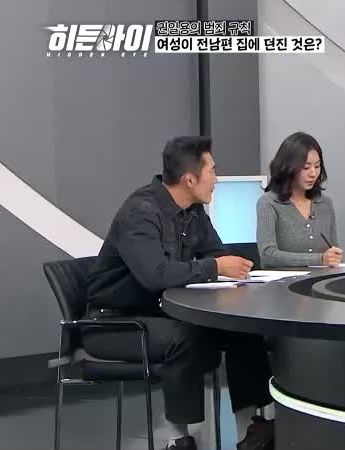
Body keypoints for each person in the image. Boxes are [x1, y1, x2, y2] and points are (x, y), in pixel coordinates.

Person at [85, 137, 274, 450]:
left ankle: (251, 430)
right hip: (113, 322)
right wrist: (215, 267)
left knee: (242, 327)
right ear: (189, 179)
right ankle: (178, 439)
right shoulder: (140, 212)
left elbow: (214, 252)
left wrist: (230, 266)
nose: (216, 179)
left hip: (161, 311)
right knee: (185, 336)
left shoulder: (193, 211)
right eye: (212, 171)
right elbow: (155, 275)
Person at [258, 132, 342, 267]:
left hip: (322, 279)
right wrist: (319, 259)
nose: (313, 173)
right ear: (288, 167)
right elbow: (268, 255)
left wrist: (333, 258)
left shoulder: (325, 204)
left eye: (317, 166)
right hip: (284, 280)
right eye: (306, 167)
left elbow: (333, 253)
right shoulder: (269, 203)